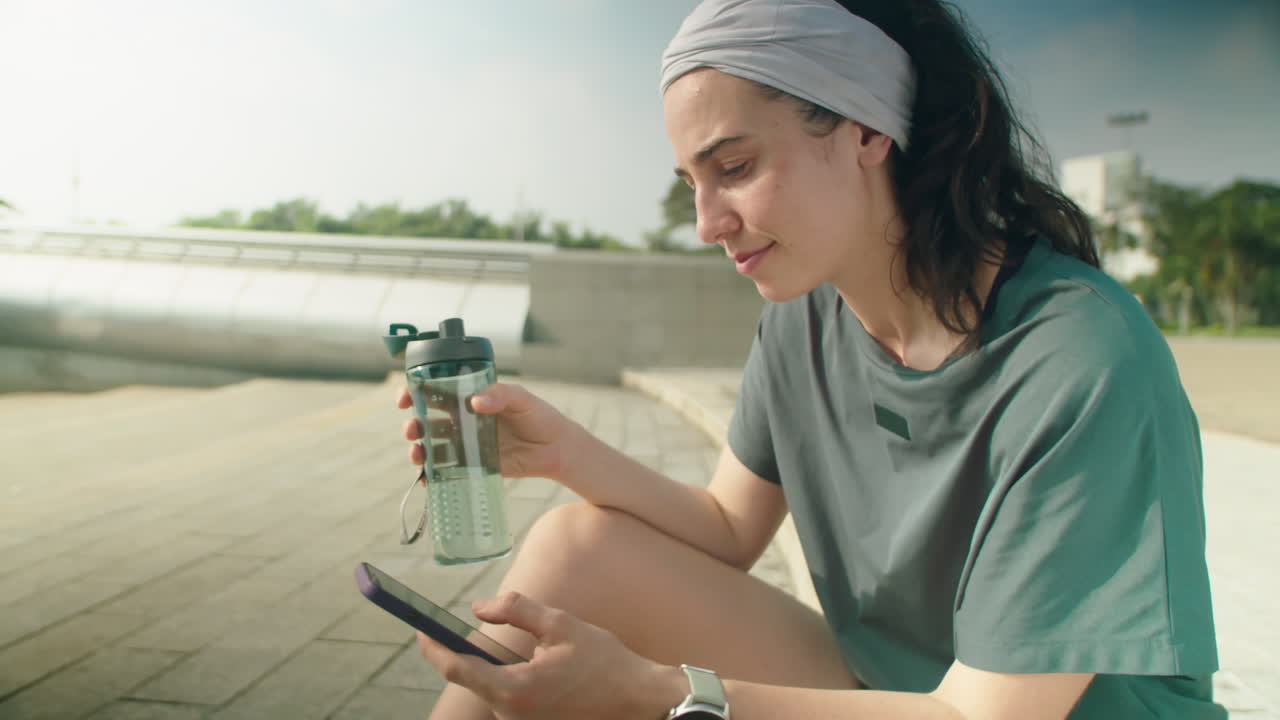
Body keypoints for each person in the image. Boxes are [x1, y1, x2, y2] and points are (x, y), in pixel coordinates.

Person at [395, 0, 1224, 717]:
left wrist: (656, 694)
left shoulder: (1080, 358)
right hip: (891, 694)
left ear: (866, 129)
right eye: (692, 181)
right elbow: (725, 529)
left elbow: (982, 715)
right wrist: (561, 451)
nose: (707, 221)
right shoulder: (808, 316)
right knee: (571, 549)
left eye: (735, 168)